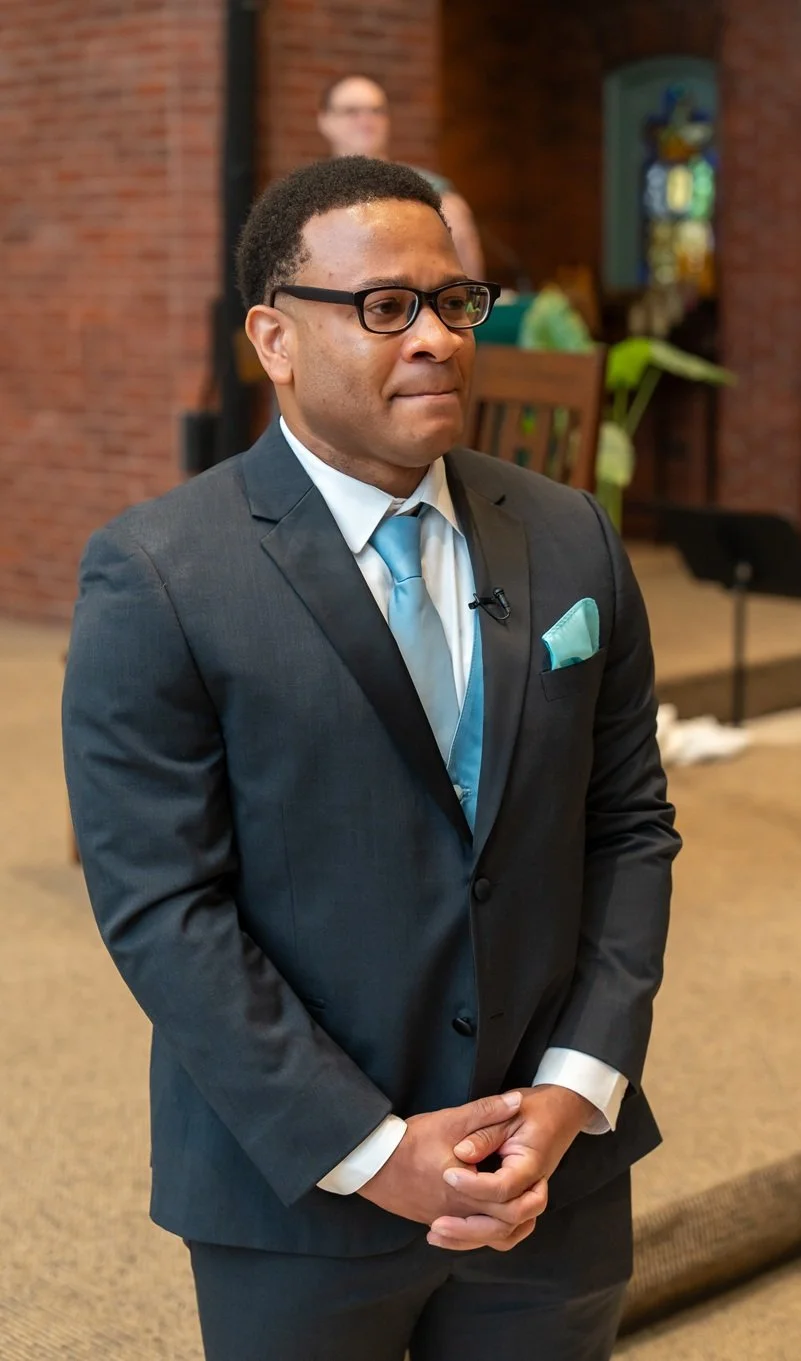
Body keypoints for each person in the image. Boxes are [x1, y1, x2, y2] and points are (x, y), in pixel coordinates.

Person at [62, 156, 680, 1361]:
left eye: (454, 302)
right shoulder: (160, 577)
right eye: (385, 307)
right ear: (274, 338)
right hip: (299, 1195)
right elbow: (163, 908)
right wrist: (375, 1149)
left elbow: (628, 826)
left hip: (543, 1179)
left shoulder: (569, 537)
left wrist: (577, 1083)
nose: (438, 338)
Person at [317, 73, 485, 279]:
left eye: (376, 111)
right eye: (351, 111)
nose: (366, 120)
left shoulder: (433, 191)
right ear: (324, 120)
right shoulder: (308, 193)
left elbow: (467, 277)